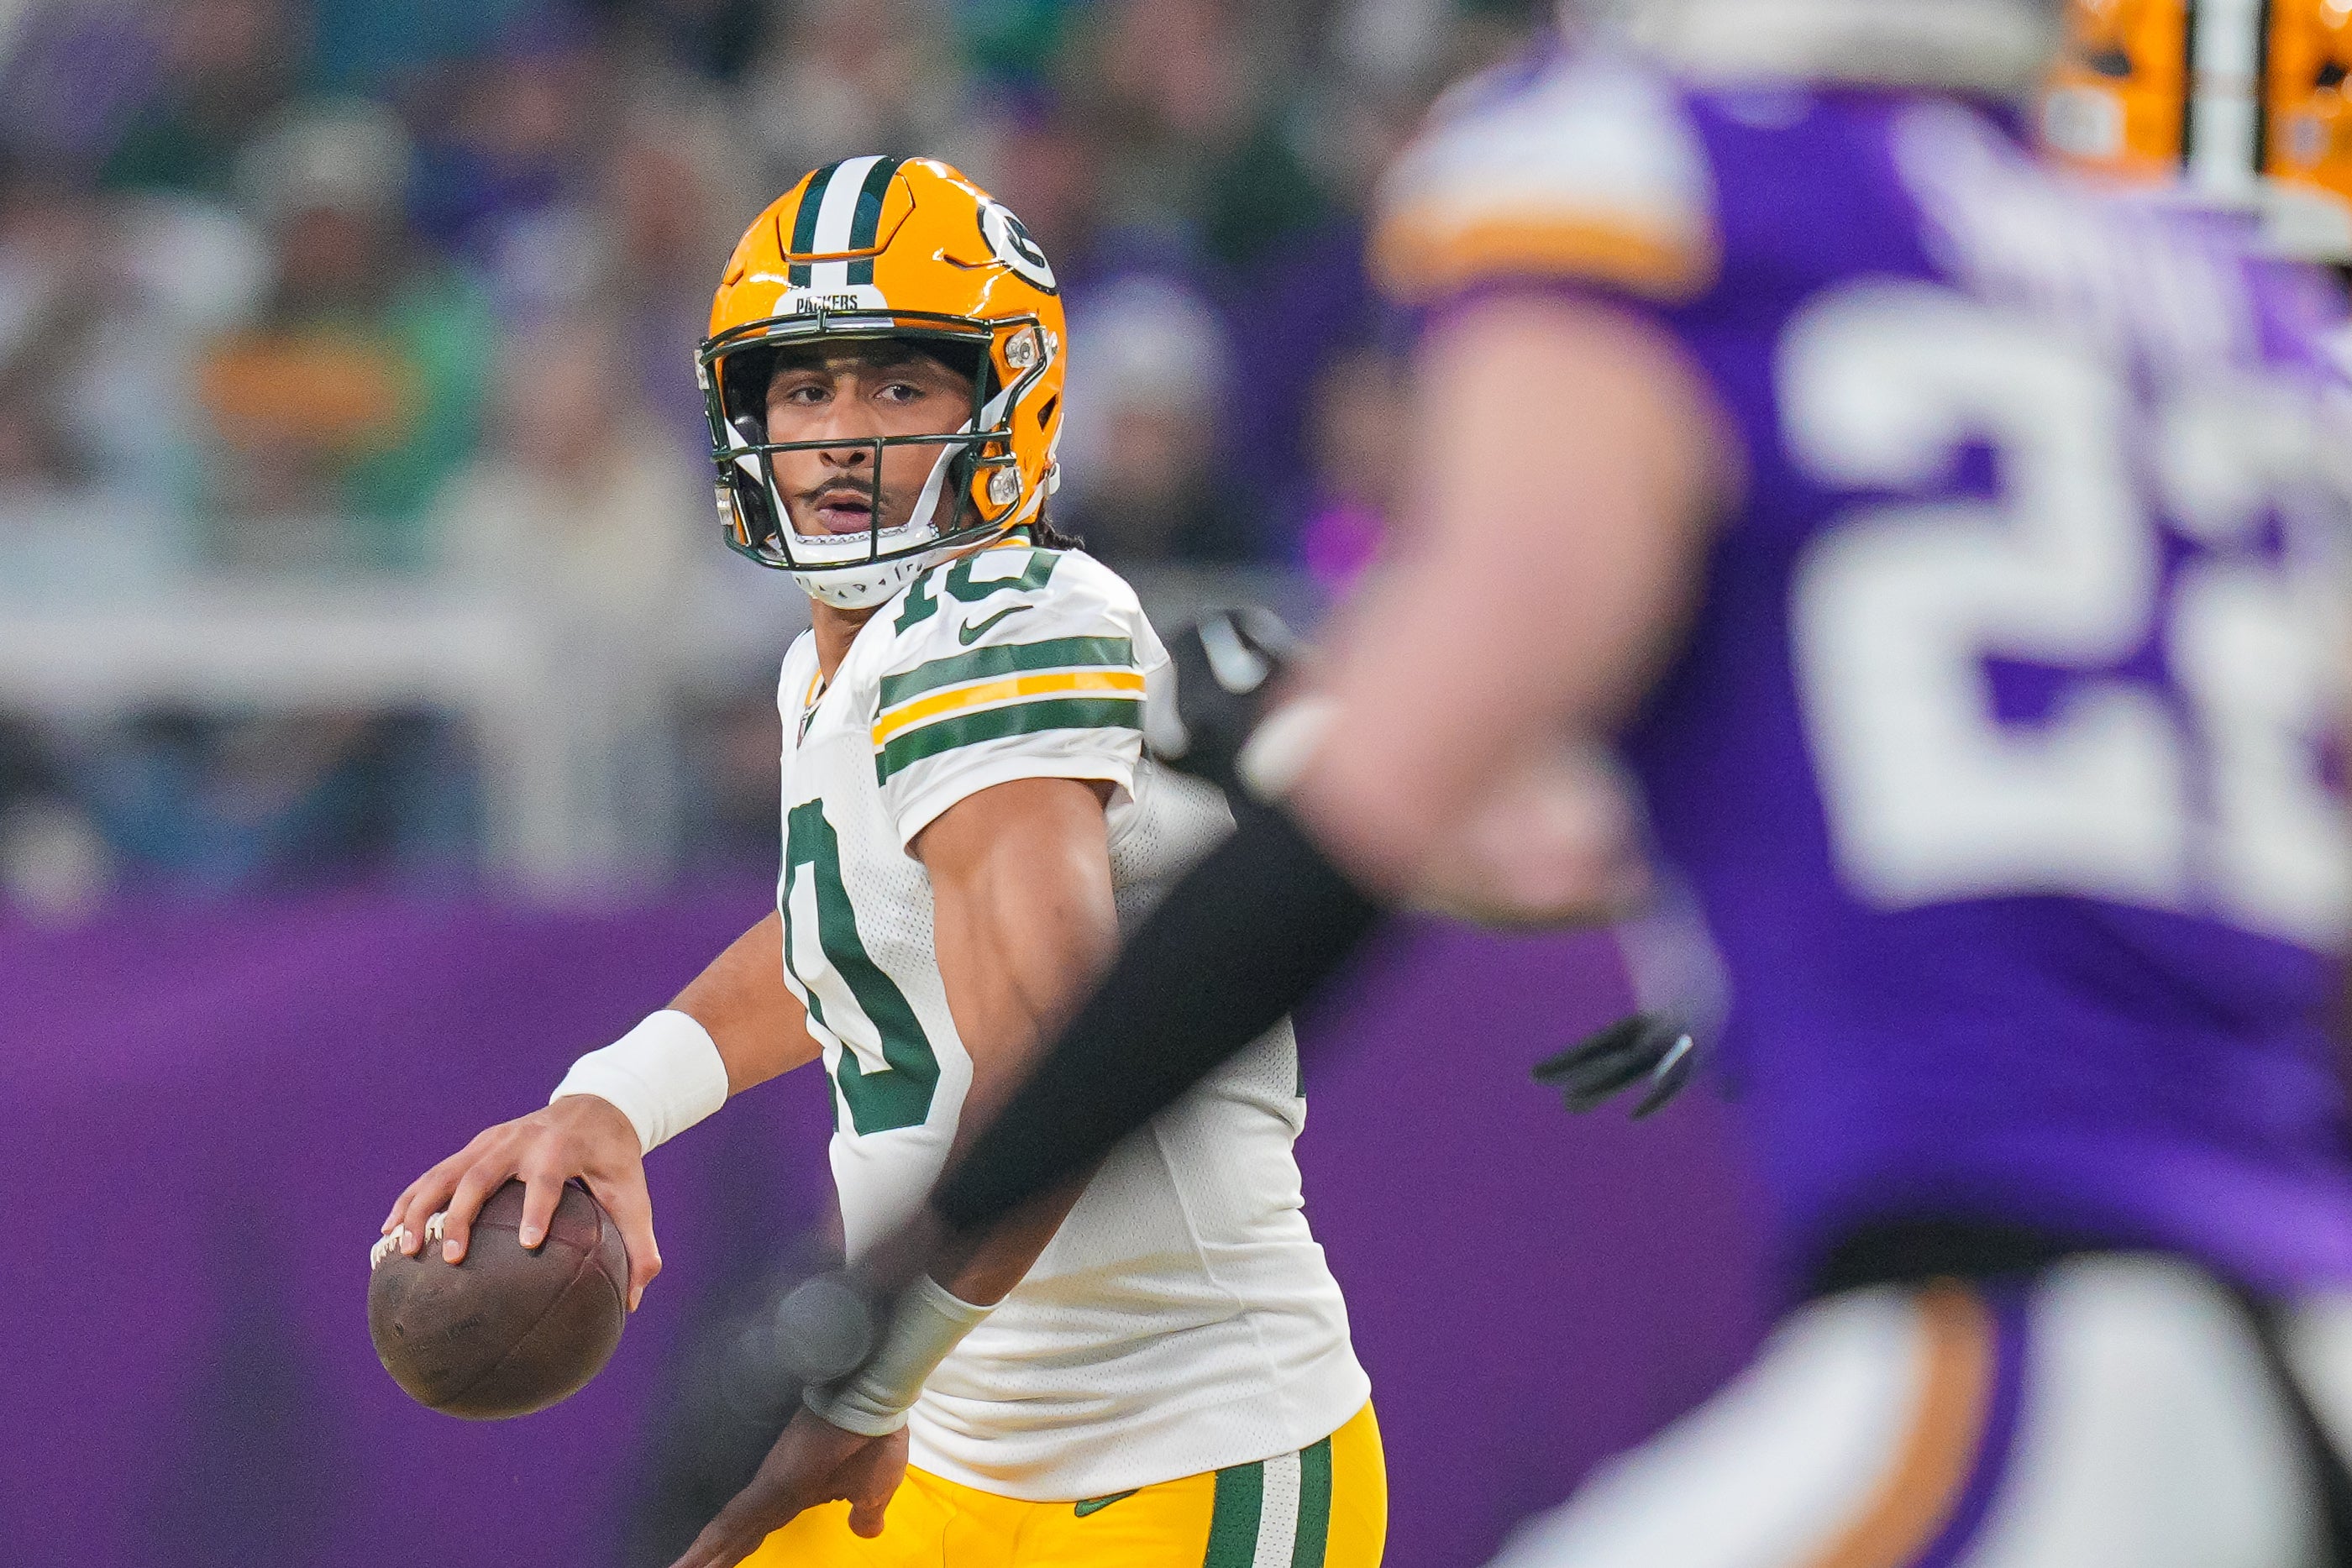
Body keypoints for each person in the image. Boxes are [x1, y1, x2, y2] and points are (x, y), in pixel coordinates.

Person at [880, 3, 2352, 1563]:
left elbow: (1456, 797)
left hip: (2067, 1335)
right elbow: (1560, 829)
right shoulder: (2248, 343)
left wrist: (890, 1284)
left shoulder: (1690, 185)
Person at [380, 157, 1384, 1568]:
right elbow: (856, 931)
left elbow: (1059, 1064)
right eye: (805, 390)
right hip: (957, 1444)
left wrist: (861, 1377)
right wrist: (615, 1098)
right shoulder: (849, 657)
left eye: (900, 389)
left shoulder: (1000, 629)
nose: (843, 437)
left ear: (1006, 403)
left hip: (1175, 1466)